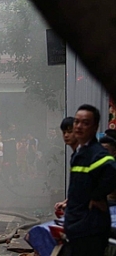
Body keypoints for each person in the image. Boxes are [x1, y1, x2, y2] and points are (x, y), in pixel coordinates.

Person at [63, 104, 116, 256]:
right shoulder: (80, 153)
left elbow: (112, 171)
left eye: (85, 123)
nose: (79, 127)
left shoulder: (96, 154)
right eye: (76, 122)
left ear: (94, 127)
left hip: (89, 229)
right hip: (77, 225)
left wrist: (97, 196)